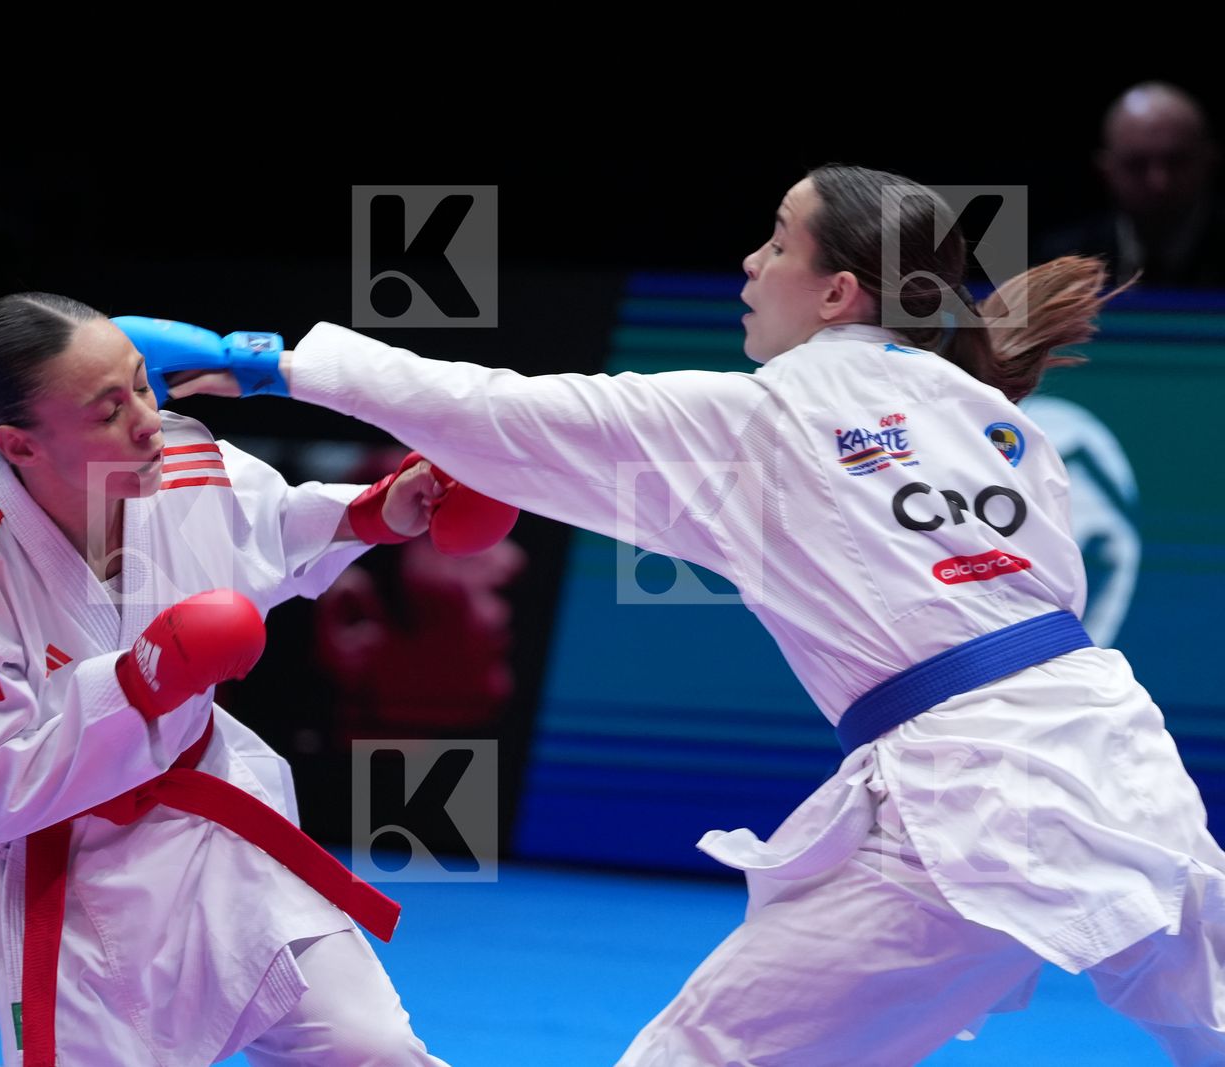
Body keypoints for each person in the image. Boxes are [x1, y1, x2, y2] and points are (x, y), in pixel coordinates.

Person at [171, 165, 1225, 1064]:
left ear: (838, 293)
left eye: (776, 243)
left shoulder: (767, 415)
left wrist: (271, 362)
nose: (749, 265)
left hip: (962, 811)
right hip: (1123, 765)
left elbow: (506, 413)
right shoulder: (998, 423)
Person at [0, 292, 471, 1066]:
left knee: (373, 1051)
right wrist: (138, 681)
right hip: (10, 858)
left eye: (142, 384)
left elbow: (272, 524)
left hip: (201, 830)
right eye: (109, 410)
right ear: (21, 444)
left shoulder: (187, 458)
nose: (146, 419)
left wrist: (379, 511)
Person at [1036, 81, 1225, 288]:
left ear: (1209, 161)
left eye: (1176, 161)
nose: (1159, 183)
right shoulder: (1059, 263)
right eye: (1136, 164)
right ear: (1106, 170)